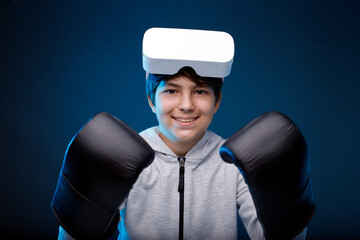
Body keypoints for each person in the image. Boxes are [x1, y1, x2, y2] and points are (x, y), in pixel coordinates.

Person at [54, 28, 314, 240]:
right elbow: (76, 235)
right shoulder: (123, 154)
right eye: (171, 91)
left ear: (217, 100)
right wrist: (78, 215)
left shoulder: (235, 161)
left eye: (200, 91)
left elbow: (273, 238)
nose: (187, 104)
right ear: (151, 100)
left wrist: (289, 204)